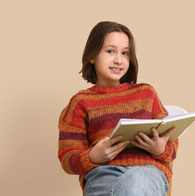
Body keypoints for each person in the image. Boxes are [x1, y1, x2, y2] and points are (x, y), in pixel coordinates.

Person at [58, 21, 178, 196]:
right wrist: (92, 157)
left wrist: (160, 149)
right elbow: (67, 158)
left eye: (125, 53)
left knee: (137, 180)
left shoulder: (146, 93)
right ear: (92, 56)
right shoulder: (80, 102)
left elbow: (172, 140)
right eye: (110, 51)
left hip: (149, 174)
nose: (118, 60)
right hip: (103, 177)